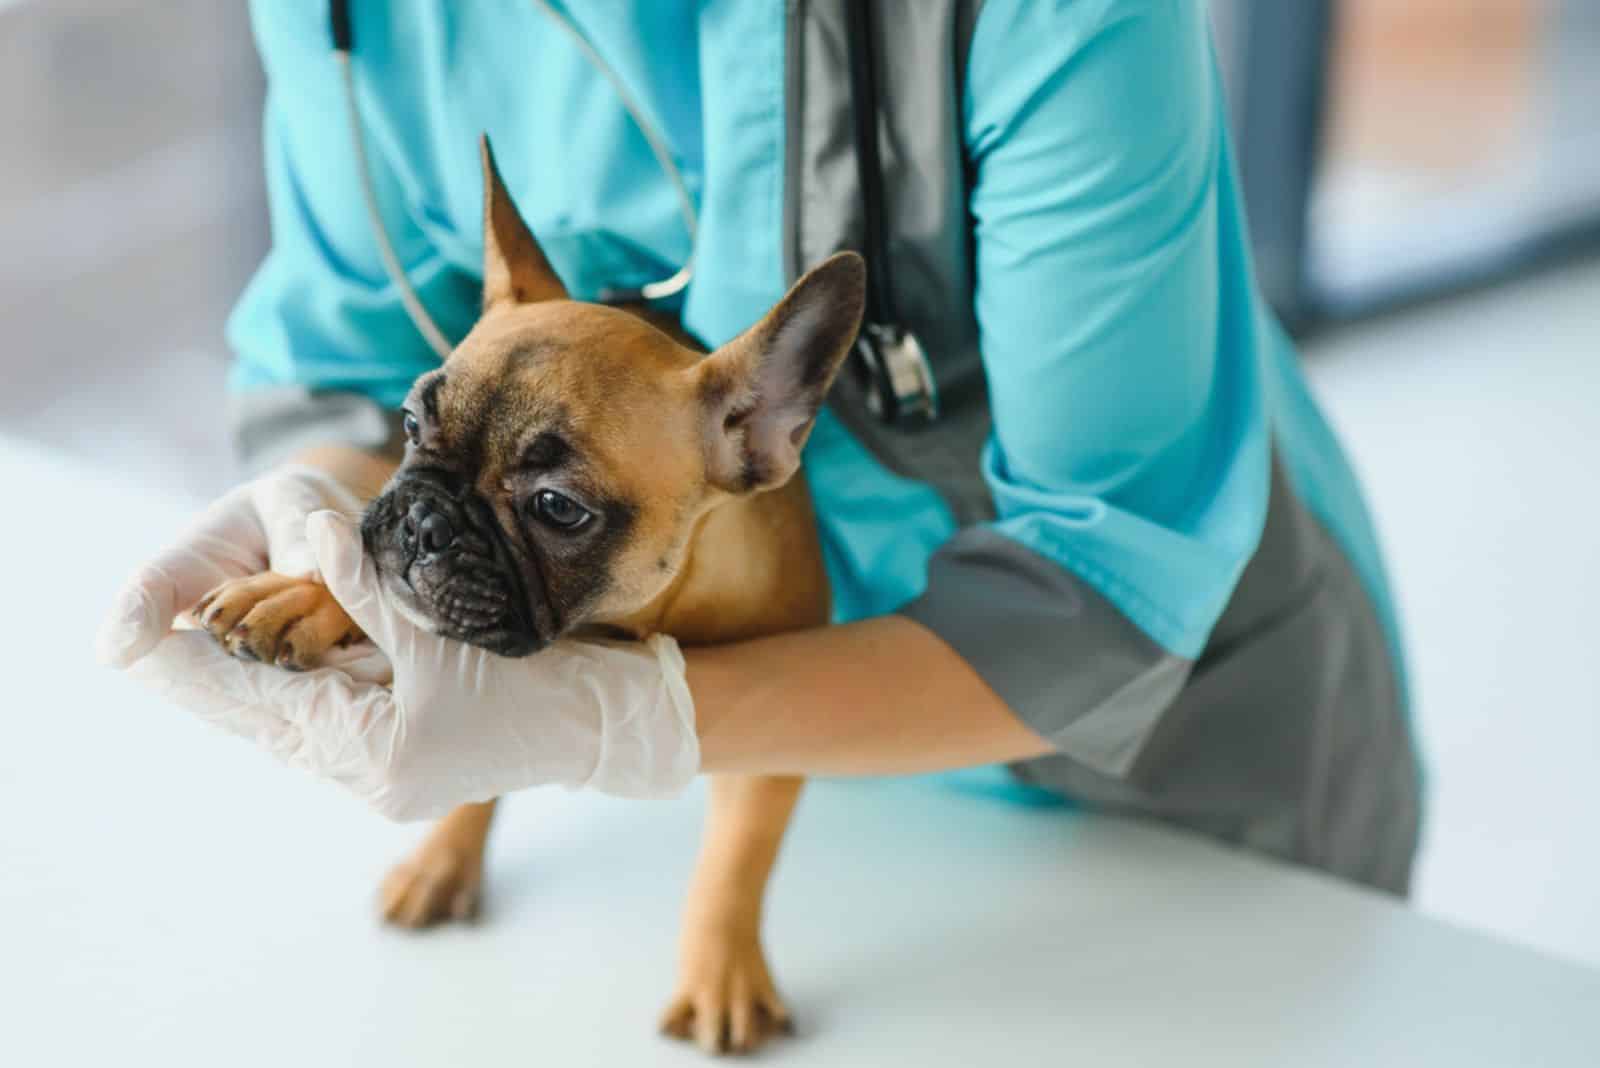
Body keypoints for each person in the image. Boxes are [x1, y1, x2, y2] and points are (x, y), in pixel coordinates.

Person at [98, 0, 1423, 894]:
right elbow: (342, 363)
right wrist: (323, 519)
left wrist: (621, 721)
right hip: (739, 827)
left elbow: (1106, 577)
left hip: (1142, 773)